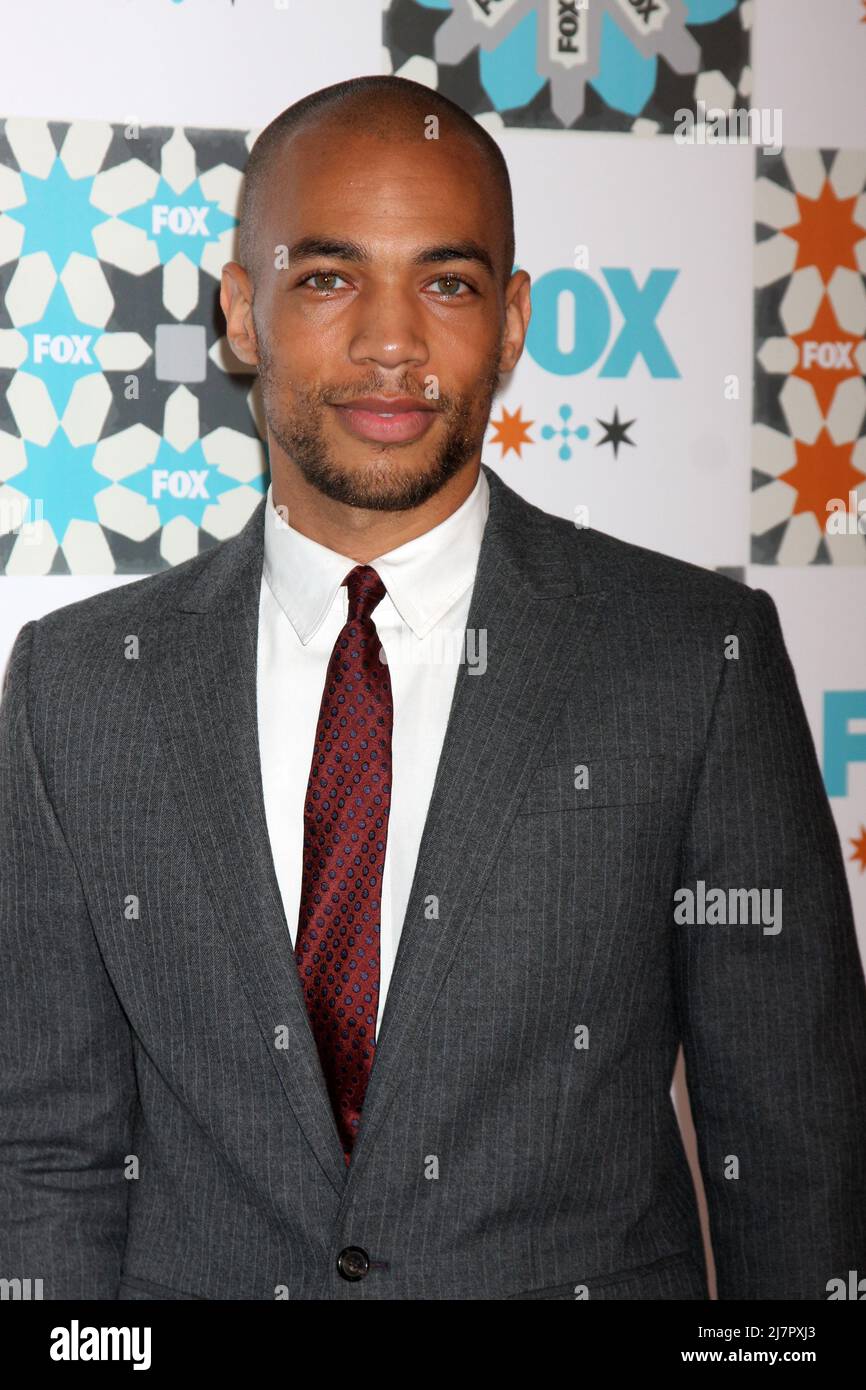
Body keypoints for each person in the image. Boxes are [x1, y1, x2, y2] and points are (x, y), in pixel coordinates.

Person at [1, 75, 864, 1302]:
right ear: (242, 315)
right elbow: (44, 1150)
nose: (391, 343)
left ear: (511, 324)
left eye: (446, 284)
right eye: (329, 277)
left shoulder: (694, 658)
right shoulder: (77, 685)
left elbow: (793, 1150)